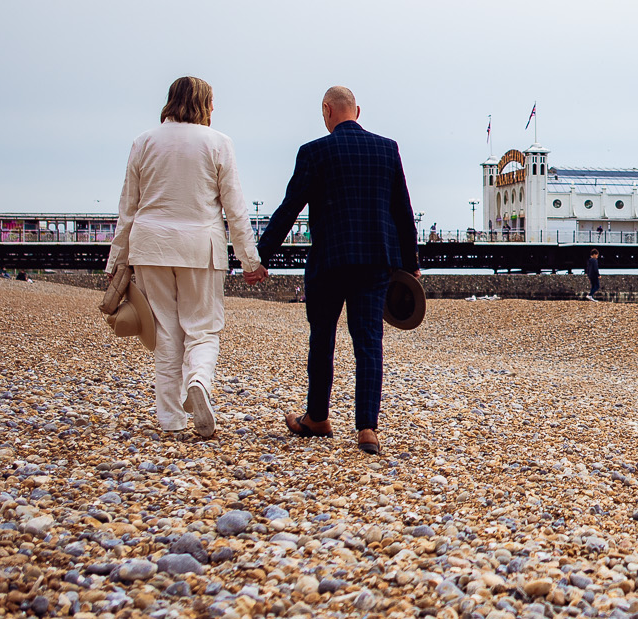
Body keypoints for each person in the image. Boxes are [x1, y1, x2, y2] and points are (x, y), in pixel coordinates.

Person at [256, 86, 418, 456]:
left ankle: (317, 417)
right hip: (375, 260)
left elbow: (289, 208)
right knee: (368, 343)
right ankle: (367, 429)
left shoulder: (314, 151)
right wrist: (410, 266)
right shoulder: (386, 149)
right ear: (357, 111)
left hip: (329, 261)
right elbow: (402, 212)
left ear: (327, 110)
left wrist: (260, 256)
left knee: (322, 340)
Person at [106, 75, 261, 439]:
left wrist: (117, 260)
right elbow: (235, 209)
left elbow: (128, 208)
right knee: (203, 328)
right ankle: (199, 383)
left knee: (165, 332)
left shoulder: (143, 142)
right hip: (200, 248)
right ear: (205, 105)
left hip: (150, 247)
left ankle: (171, 419)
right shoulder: (218, 143)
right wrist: (249, 261)